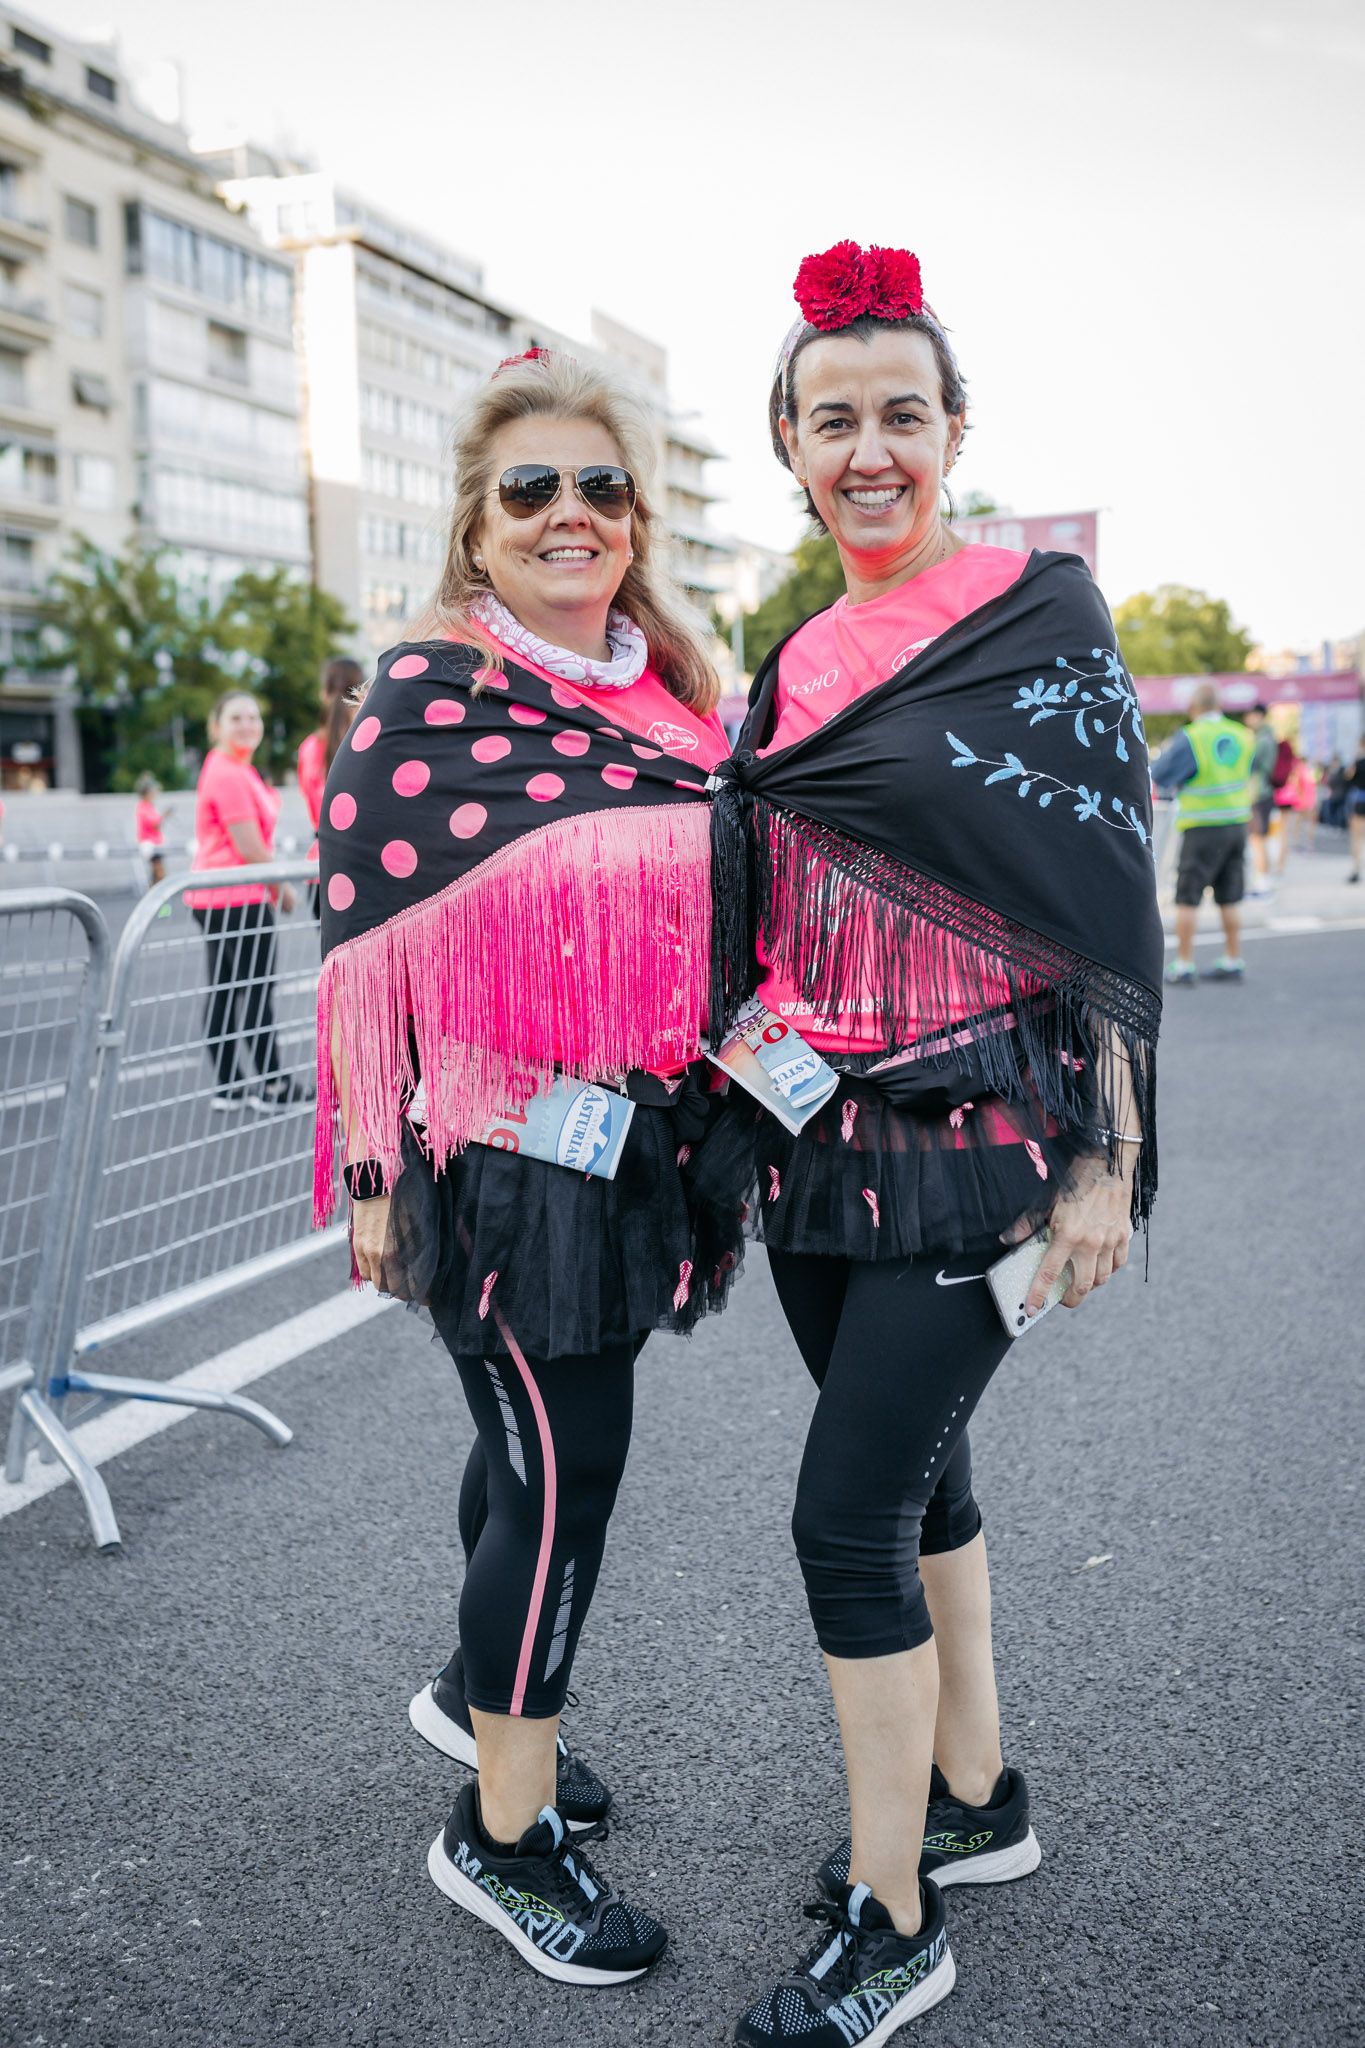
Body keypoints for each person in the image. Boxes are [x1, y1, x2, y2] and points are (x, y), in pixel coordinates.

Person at [707, 242, 1163, 2045]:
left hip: (990, 1134)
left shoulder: (1039, 614)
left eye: (904, 411)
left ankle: (896, 1919)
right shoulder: (792, 655)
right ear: (792, 451)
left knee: (843, 1515)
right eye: (835, 421)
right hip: (816, 1138)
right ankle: (977, 1794)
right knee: (926, 1475)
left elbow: (1105, 898)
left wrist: (1108, 1155)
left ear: (955, 430)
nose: (871, 447)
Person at [315, 349, 745, 1988]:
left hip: (631, 1145)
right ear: (477, 526)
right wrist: (369, 1182)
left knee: (524, 1457)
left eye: (600, 487)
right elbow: (357, 944)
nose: (571, 513)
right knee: (566, 1481)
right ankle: (499, 1834)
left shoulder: (665, 688)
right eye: (532, 490)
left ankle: (469, 1695)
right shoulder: (430, 688)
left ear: (635, 519)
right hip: (492, 1157)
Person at [184, 691, 306, 1113]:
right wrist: (282, 888)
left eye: (254, 717)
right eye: (236, 717)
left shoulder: (233, 768)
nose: (247, 725)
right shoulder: (229, 774)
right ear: (215, 726)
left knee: (229, 988)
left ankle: (231, 1085)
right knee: (254, 989)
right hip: (236, 896)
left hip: (218, 895)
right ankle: (272, 1085)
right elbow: (249, 845)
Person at [1150, 681, 1255, 983]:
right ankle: (1233, 959)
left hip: (1202, 825)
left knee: (1188, 897)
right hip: (1236, 822)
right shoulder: (1241, 734)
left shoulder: (1193, 736)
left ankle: (1184, 964)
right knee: (1230, 896)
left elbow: (1161, 773)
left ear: (1194, 708)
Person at [297, 658, 362, 918]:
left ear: (324, 693)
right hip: (362, 868)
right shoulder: (370, 742)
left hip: (321, 867)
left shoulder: (309, 749)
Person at [1244, 703, 1278, 897]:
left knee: (1257, 839)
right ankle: (1263, 881)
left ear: (1259, 716)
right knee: (1260, 839)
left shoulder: (1263, 739)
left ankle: (1263, 884)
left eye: (1250, 715)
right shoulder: (1267, 736)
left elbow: (1249, 764)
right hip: (1264, 793)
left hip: (1258, 793)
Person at [133, 772, 172, 887]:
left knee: (157, 875)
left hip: (156, 843)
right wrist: (165, 815)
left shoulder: (149, 806)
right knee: (160, 874)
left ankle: (156, 901)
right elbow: (155, 824)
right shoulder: (143, 807)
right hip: (150, 845)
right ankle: (156, 900)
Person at [1348, 734, 1365, 884]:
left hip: (1360, 801)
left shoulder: (1358, 762)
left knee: (1357, 838)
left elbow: (1349, 778)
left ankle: (1356, 869)